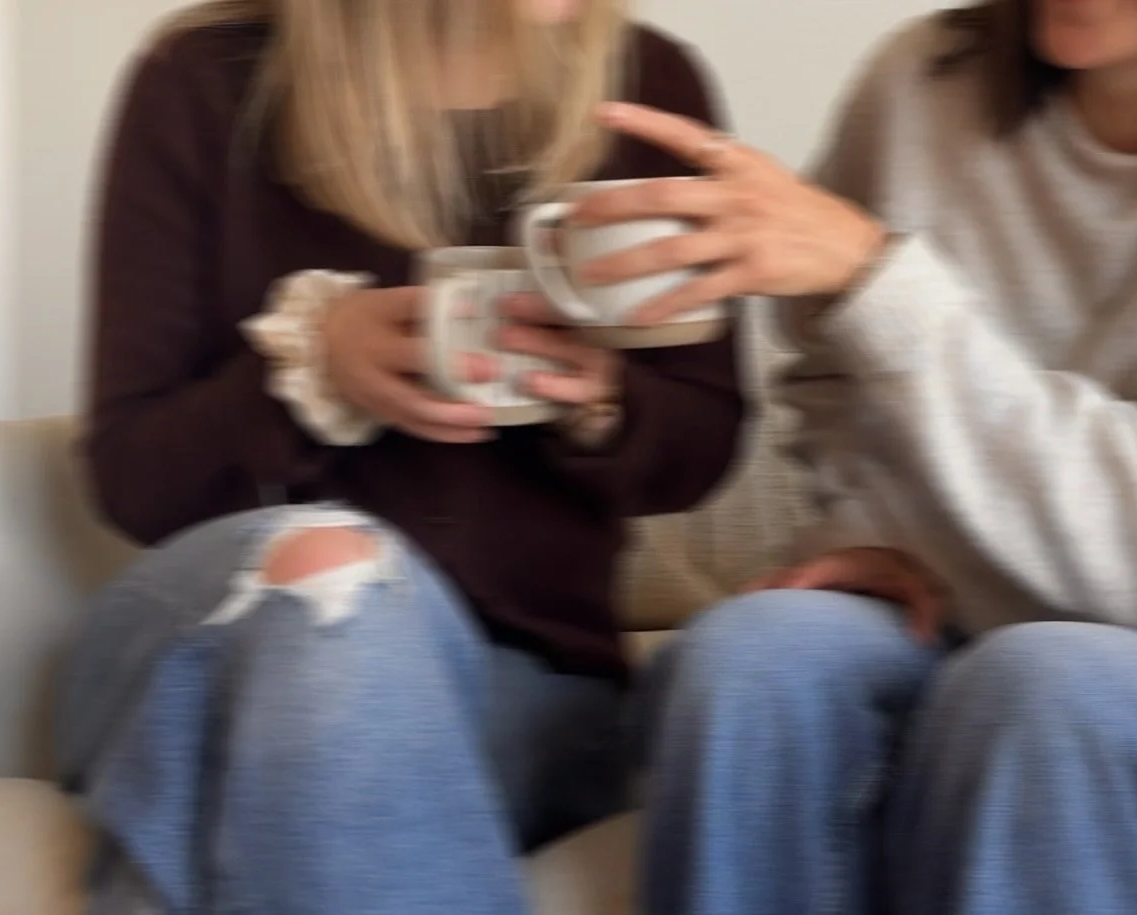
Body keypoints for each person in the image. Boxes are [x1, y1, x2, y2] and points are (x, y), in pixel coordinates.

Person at [571, 0, 1137, 912]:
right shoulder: (926, 78)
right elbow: (830, 368)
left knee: (1040, 692)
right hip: (947, 621)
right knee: (749, 663)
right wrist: (870, 523)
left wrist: (881, 280)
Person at [51, 1, 743, 913]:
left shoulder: (651, 86)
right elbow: (133, 474)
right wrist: (307, 370)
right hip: (230, 637)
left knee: (318, 673)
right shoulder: (203, 83)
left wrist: (601, 401)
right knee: (334, 571)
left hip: (532, 694)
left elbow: (704, 447)